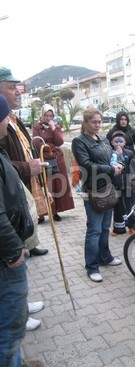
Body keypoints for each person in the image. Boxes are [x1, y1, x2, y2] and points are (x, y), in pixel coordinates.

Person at [0, 95, 40, 367]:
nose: (8, 119)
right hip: (7, 259)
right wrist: (15, 250)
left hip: (10, 249)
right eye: (5, 115)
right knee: (10, 331)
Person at [0, 67, 48, 256]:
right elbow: (3, 164)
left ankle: (29, 244)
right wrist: (27, 167)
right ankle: (20, 250)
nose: (17, 92)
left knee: (29, 214)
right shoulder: (1, 121)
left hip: (25, 180)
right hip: (12, 187)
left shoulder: (12, 117)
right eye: (12, 87)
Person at [71, 107, 122, 283]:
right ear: (85, 123)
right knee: (94, 230)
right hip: (93, 190)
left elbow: (110, 158)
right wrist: (110, 169)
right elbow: (86, 165)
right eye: (94, 122)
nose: (98, 125)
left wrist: (117, 164)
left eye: (100, 121)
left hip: (108, 188)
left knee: (105, 227)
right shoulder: (79, 141)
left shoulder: (102, 139)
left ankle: (105, 257)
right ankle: (92, 266)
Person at [32, 104, 75, 221]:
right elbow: (36, 143)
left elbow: (59, 141)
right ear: (42, 115)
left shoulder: (56, 127)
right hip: (43, 159)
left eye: (51, 115)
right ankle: (42, 213)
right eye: (46, 115)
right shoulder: (37, 128)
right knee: (44, 185)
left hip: (56, 159)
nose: (48, 118)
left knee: (57, 185)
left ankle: (55, 212)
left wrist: (53, 128)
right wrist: (49, 147)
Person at [109, 130, 135, 235]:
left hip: (127, 183)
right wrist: (116, 156)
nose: (118, 144)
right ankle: (118, 228)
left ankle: (131, 226)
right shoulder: (110, 153)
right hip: (116, 184)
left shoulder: (129, 153)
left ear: (125, 143)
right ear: (112, 143)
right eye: (116, 141)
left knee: (129, 205)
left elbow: (131, 167)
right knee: (118, 206)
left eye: (121, 141)